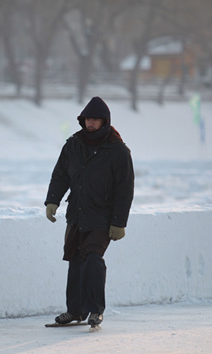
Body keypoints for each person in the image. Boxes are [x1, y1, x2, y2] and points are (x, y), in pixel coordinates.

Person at [45, 96, 134, 329]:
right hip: (77, 214)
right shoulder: (73, 145)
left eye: (95, 119)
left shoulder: (117, 151)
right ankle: (75, 312)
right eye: (88, 119)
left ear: (105, 121)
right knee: (75, 261)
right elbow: (60, 174)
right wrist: (52, 200)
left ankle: (95, 310)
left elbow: (125, 189)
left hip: (103, 219)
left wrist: (119, 222)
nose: (91, 123)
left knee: (93, 259)